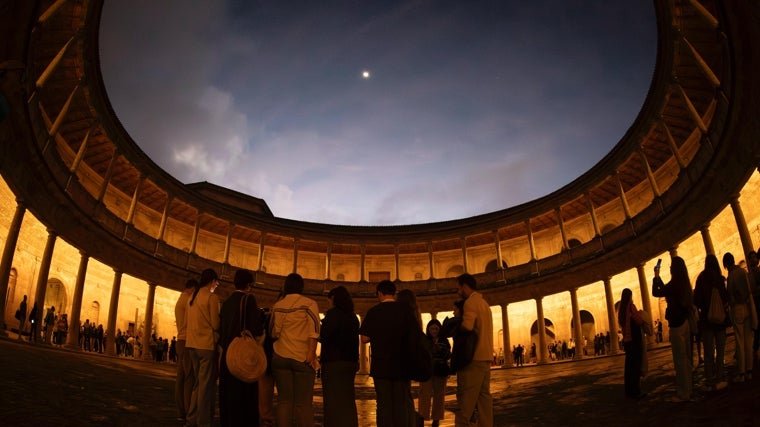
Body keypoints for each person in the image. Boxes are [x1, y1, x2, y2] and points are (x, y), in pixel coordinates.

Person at [359, 280, 417, 427]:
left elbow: (364, 338)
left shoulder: (373, 311)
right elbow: (414, 335)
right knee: (401, 404)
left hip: (381, 365)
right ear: (394, 293)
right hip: (402, 365)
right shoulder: (405, 311)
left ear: (379, 293)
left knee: (384, 405)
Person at [269, 273, 320, 427]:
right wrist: (311, 354)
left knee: (284, 401)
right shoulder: (309, 304)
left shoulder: (278, 306)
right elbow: (315, 331)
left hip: (280, 355)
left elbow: (273, 332)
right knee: (303, 404)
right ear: (301, 286)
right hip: (301, 357)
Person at [219, 268, 263, 427]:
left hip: (227, 355)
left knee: (228, 396)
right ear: (249, 285)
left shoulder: (226, 302)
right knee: (244, 397)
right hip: (242, 355)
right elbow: (255, 329)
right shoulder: (249, 299)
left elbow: (220, 329)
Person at [455, 273, 494, 427]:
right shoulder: (484, 303)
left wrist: (457, 326)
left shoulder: (470, 303)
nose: (458, 291)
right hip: (486, 356)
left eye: (459, 287)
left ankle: (462, 425)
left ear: (465, 286)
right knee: (484, 397)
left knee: (467, 398)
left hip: (474, 357)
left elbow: (468, 326)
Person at [652, 256, 693, 402]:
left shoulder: (674, 283)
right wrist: (659, 278)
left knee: (679, 360)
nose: (669, 268)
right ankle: (689, 388)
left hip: (676, 325)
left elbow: (657, 292)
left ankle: (683, 393)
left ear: (674, 269)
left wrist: (656, 277)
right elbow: (666, 290)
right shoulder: (683, 283)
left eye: (671, 266)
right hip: (685, 322)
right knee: (687, 358)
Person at [319, 285, 359, 427]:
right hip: (350, 362)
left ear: (334, 298)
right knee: (348, 399)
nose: (328, 303)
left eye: (329, 300)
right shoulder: (353, 316)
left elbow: (323, 336)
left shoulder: (332, 314)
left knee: (331, 400)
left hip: (333, 362)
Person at [186, 268, 221, 427]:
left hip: (191, 344)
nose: (217, 285)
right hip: (205, 345)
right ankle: (203, 422)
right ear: (212, 281)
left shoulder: (192, 297)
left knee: (197, 385)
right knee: (205, 388)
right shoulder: (211, 298)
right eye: (216, 282)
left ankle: (191, 419)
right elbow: (215, 324)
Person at [693, 254, 729, 390]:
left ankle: (709, 381)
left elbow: (696, 300)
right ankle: (720, 378)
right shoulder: (720, 279)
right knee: (720, 351)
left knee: (708, 353)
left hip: (706, 321)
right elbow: (725, 297)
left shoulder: (700, 278)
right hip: (720, 320)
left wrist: (705, 307)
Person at [724, 252, 754, 382]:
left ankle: (741, 373)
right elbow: (749, 289)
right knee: (748, 340)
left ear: (726, 264)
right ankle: (750, 371)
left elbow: (730, 295)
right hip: (747, 306)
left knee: (740, 341)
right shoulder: (742, 272)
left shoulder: (731, 275)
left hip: (737, 309)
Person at [419, 319, 451, 427]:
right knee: (424, 394)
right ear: (428, 330)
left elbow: (448, 354)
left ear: (439, 329)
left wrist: (440, 350)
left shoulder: (444, 341)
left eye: (436, 328)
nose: (434, 331)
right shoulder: (425, 340)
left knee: (439, 395)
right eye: (431, 328)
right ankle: (422, 417)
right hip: (427, 371)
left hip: (440, 371)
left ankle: (436, 419)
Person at [174, 279, 196, 423]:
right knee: (189, 378)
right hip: (186, 341)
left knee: (181, 378)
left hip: (180, 340)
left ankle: (181, 411)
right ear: (192, 288)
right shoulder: (188, 301)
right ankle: (188, 412)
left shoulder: (179, 300)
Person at [618, 288, 645, 399]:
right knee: (636, 366)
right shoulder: (631, 307)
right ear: (630, 296)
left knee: (629, 367)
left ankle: (629, 391)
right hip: (635, 339)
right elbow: (639, 321)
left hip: (627, 341)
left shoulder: (621, 311)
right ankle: (636, 390)